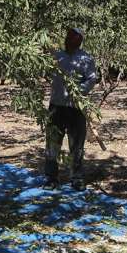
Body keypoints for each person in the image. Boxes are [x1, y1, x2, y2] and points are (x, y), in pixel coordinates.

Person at [46, 27, 99, 189]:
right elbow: (48, 74)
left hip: (76, 108)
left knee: (76, 146)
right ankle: (51, 178)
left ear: (80, 40)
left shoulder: (85, 59)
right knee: (52, 144)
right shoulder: (57, 56)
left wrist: (79, 91)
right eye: (68, 35)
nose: (69, 38)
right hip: (56, 107)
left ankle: (76, 178)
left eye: (73, 36)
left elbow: (91, 79)